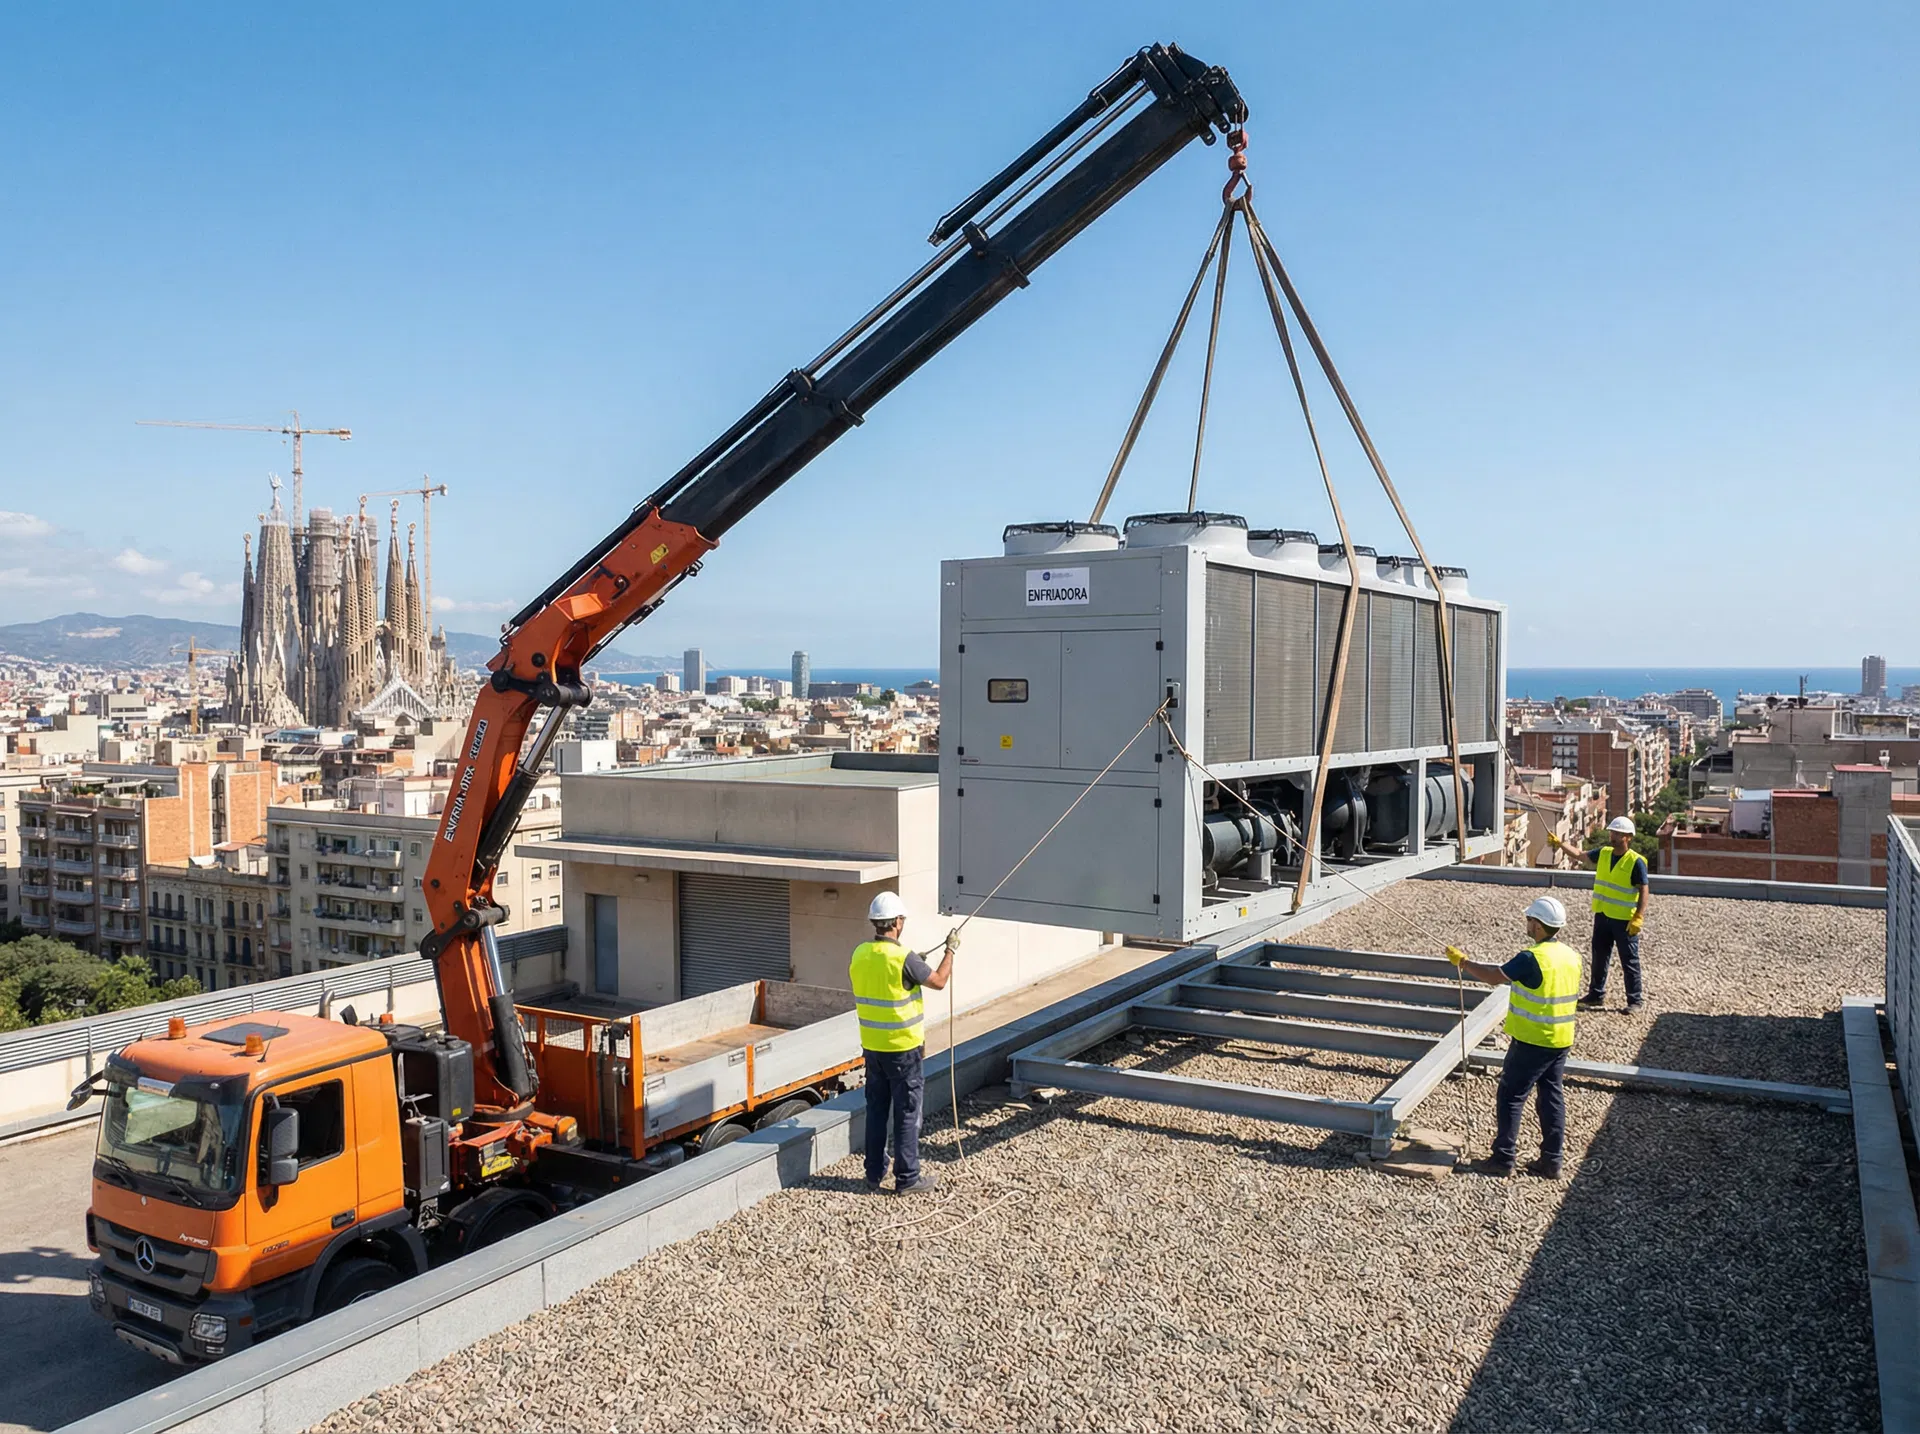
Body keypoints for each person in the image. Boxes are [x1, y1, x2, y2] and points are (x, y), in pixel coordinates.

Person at [1446, 895, 1582, 1179]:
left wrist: (1464, 963)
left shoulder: (1532, 958)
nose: (1527, 924)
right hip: (1561, 1038)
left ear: (1539, 926)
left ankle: (1503, 1159)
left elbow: (1494, 976)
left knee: (1511, 1096)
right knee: (1551, 1096)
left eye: (1530, 920)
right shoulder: (1571, 956)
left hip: (1533, 1039)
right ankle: (1552, 1161)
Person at [848, 890, 957, 1195]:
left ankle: (873, 1174)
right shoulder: (903, 957)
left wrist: (912, 967)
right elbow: (938, 981)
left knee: (877, 1111)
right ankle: (908, 1178)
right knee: (908, 1113)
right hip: (904, 1050)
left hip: (873, 1048)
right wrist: (950, 951)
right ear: (896, 922)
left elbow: (883, 978)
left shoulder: (860, 953)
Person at [1548, 815, 1650, 1012]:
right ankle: (1596, 995)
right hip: (1602, 915)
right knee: (1599, 957)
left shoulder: (1636, 861)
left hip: (1624, 920)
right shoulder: (1604, 853)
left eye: (1618, 833)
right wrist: (1560, 843)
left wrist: (1639, 916)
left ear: (1628, 837)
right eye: (1612, 832)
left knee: (1629, 960)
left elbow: (1644, 889)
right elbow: (1579, 854)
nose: (1613, 836)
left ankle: (1635, 1000)